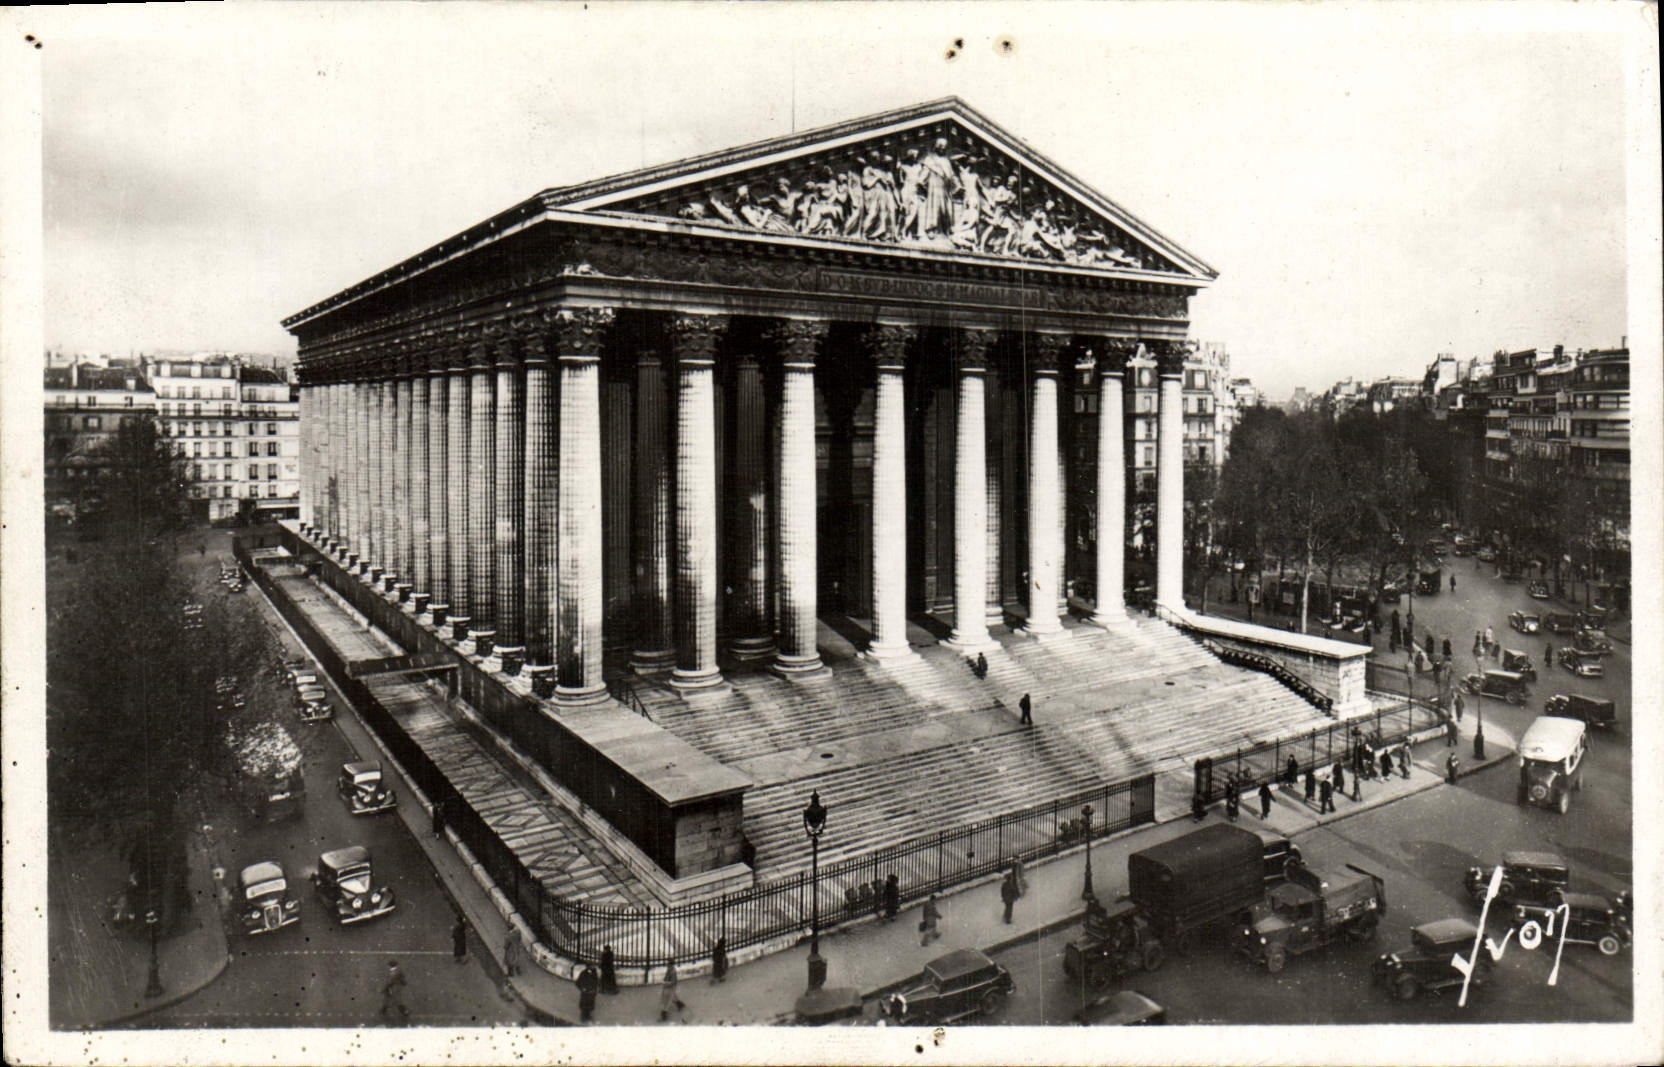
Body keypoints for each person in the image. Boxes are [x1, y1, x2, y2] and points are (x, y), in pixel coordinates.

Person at [380, 959, 410, 1025]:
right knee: (395, 1001)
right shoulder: (397, 972)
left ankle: (383, 1013)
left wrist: (386, 988)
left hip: (393, 989)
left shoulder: (394, 972)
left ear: (390, 965)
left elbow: (390, 981)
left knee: (392, 1001)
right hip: (394, 989)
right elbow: (403, 981)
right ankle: (405, 1012)